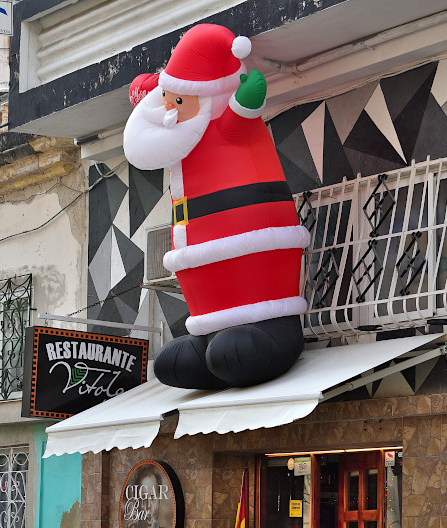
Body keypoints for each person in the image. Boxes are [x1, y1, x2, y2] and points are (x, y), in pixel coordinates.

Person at [123, 23, 310, 389]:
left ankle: (269, 331)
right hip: (205, 288)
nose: (169, 113)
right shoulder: (183, 148)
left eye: (179, 102)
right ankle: (208, 334)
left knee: (238, 349)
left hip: (262, 284)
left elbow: (247, 105)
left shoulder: (227, 125)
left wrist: (247, 101)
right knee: (199, 358)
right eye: (167, 100)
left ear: (206, 96)